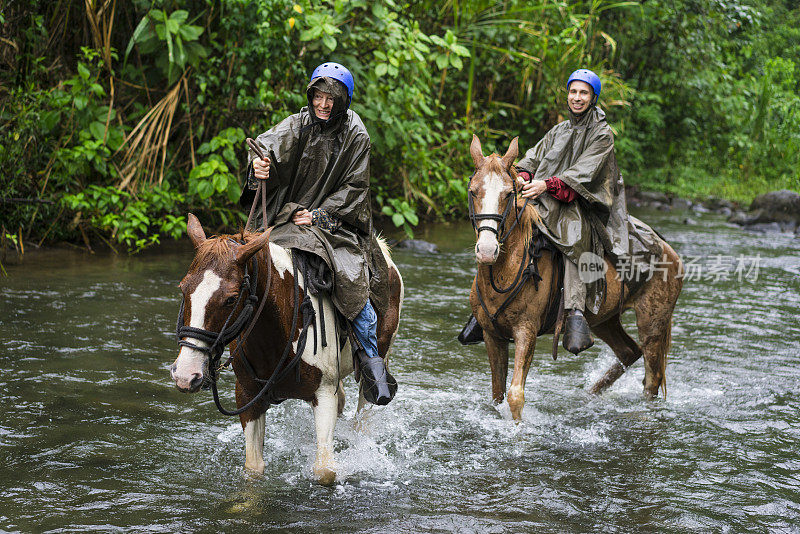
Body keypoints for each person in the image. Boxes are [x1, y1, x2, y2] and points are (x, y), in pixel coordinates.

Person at [239, 62, 396, 405]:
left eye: (331, 98)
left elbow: (356, 187)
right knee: (241, 267)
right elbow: (267, 147)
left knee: (351, 279)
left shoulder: (356, 134)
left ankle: (370, 359)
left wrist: (322, 214)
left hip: (338, 223)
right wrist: (259, 166)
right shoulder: (296, 124)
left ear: (343, 101)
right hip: (288, 215)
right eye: (319, 96)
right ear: (311, 96)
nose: (324, 104)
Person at [514, 68, 631, 355]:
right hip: (545, 195)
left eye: (583, 93)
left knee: (572, 231)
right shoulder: (559, 130)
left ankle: (576, 311)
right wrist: (521, 176)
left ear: (593, 98)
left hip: (582, 203)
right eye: (573, 92)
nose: (577, 98)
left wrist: (547, 185)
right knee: (505, 218)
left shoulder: (602, 134)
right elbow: (533, 157)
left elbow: (582, 175)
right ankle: (486, 307)